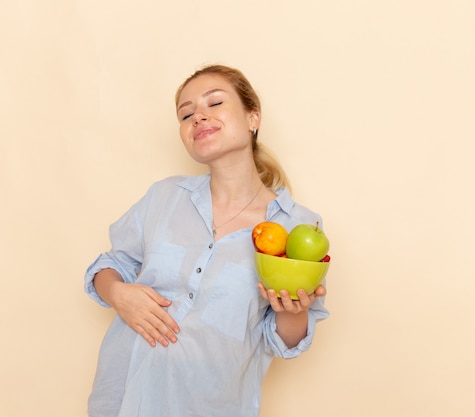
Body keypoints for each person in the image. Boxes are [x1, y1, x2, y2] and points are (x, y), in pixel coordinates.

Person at [84, 64, 329, 417]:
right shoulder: (164, 197)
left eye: (214, 104)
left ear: (252, 118)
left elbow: (283, 341)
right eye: (186, 114)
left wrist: (296, 309)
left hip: (212, 405)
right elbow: (110, 264)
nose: (198, 117)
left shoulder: (299, 226)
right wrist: (118, 294)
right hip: (123, 396)